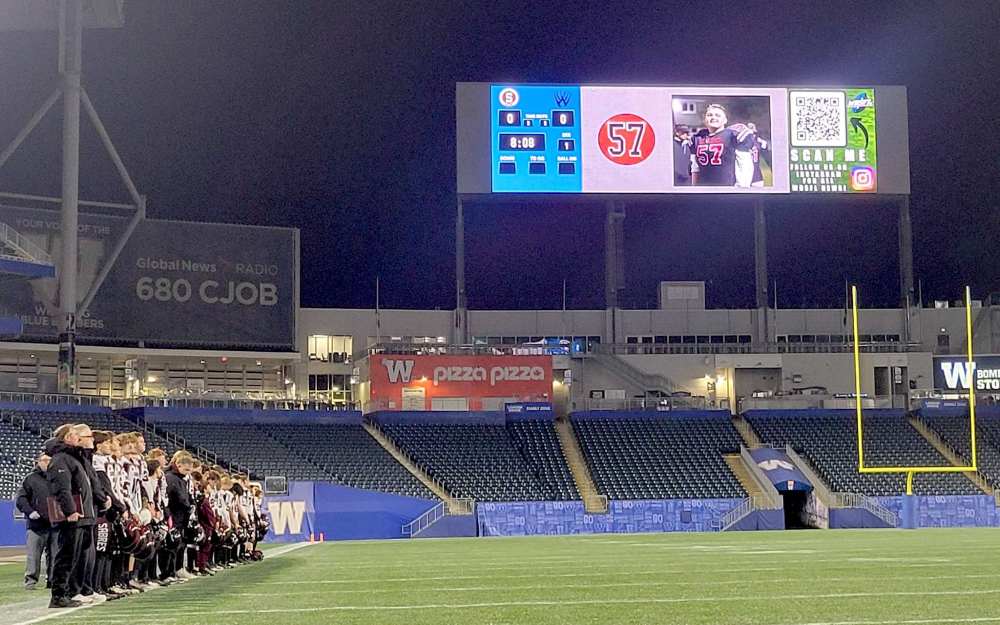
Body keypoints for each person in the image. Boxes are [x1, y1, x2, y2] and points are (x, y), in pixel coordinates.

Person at [46, 424, 94, 609]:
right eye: (74, 434)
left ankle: (68, 593)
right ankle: (58, 595)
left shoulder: (74, 458)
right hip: (73, 516)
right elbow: (62, 488)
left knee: (75, 556)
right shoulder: (60, 459)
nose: (78, 437)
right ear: (66, 438)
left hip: (82, 515)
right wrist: (70, 511)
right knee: (67, 556)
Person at [690, 104, 756, 187]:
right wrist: (694, 188)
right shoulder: (698, 138)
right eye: (709, 115)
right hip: (703, 187)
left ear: (725, 120)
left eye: (718, 115)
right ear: (705, 119)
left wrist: (742, 188)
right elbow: (695, 167)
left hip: (727, 187)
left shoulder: (734, 135)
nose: (713, 117)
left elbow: (744, 165)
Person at [16, 454, 56, 590]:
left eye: (50, 460)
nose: (48, 463)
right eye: (45, 460)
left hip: (55, 524)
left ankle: (52, 581)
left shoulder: (57, 477)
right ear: (38, 462)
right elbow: (21, 498)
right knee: (33, 555)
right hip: (36, 525)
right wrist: (30, 511)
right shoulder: (30, 478)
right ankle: (30, 582)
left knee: (55, 555)